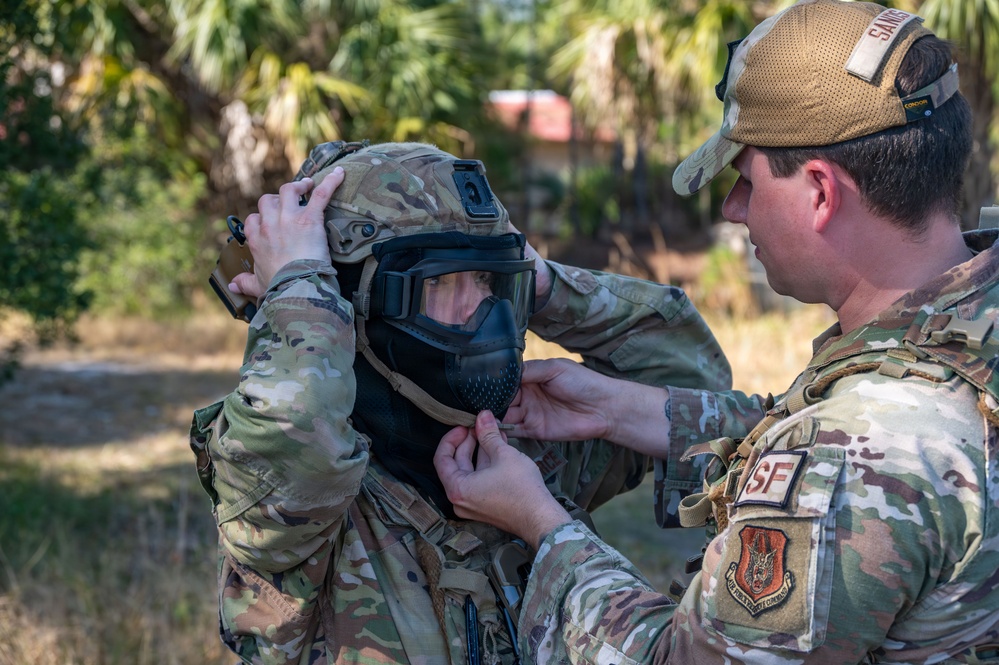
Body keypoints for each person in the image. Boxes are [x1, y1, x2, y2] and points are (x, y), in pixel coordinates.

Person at [434, 1, 999, 662]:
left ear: (819, 191)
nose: (733, 209)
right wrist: (628, 409)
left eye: (745, 178)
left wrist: (541, 523)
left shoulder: (846, 457)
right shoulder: (959, 338)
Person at [189, 140, 731, 664]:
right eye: (447, 284)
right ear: (353, 305)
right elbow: (298, 428)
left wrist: (543, 285)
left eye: (493, 283)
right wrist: (299, 282)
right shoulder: (300, 497)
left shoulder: (521, 455)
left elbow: (694, 385)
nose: (487, 312)